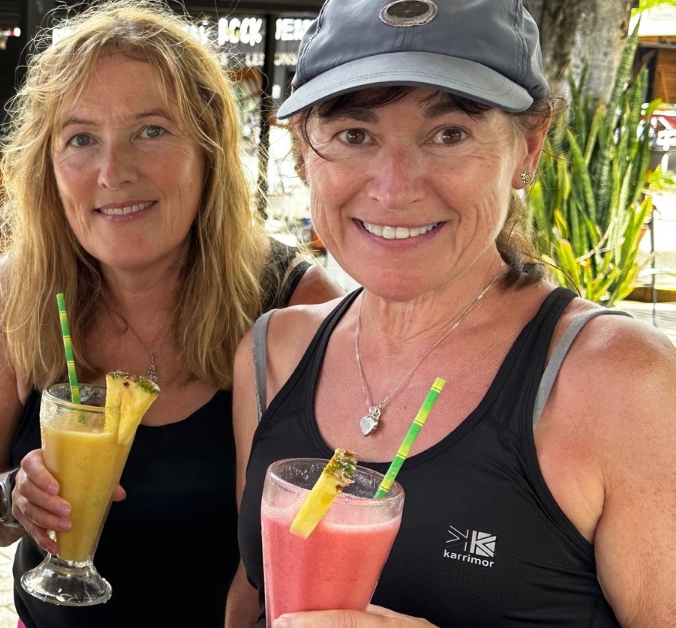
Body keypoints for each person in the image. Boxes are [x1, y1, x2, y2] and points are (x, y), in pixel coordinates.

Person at [233, 0, 676, 626]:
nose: (394, 186)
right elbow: (248, 595)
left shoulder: (622, 381)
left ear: (528, 146)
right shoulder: (273, 351)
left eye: (449, 134)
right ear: (304, 150)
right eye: (354, 135)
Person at [0, 1, 341, 625]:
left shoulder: (294, 302)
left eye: (151, 130)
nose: (114, 172)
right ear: (48, 167)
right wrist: (11, 500)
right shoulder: (14, 297)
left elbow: (333, 520)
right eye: (81, 138)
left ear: (209, 147)